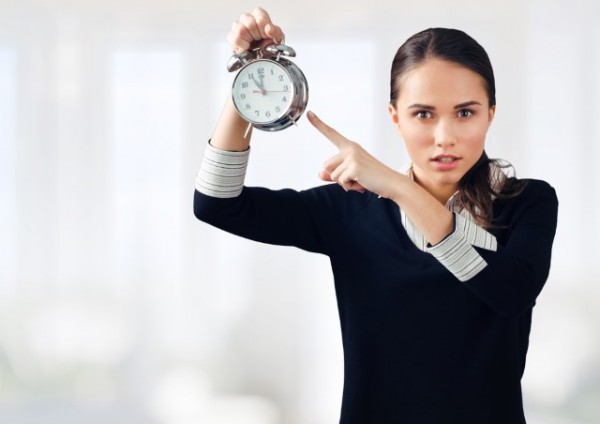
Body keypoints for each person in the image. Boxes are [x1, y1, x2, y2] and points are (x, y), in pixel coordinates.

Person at [194, 7, 558, 424]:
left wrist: (399, 188)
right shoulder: (349, 212)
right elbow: (216, 202)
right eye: (423, 114)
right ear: (395, 118)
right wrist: (252, 77)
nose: (445, 137)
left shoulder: (528, 202)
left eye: (465, 112)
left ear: (490, 113)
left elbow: (510, 292)